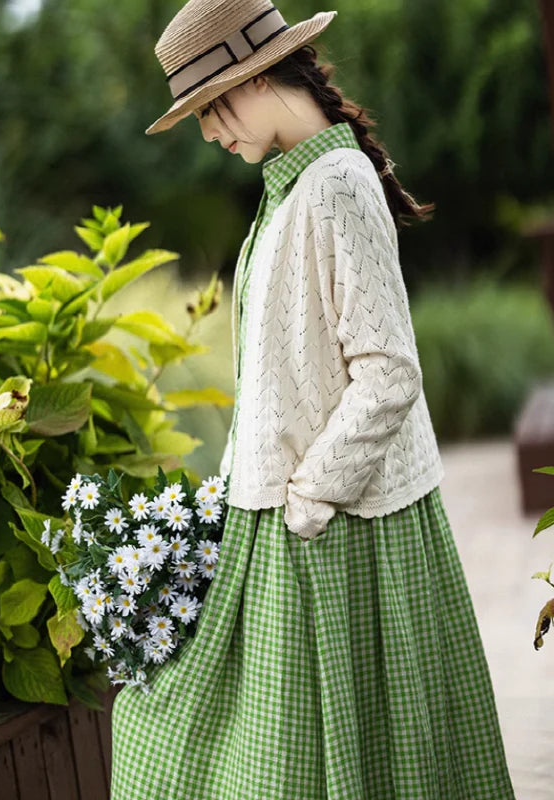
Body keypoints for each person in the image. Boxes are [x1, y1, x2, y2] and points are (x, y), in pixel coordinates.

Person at [110, 1, 517, 798]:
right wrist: (232, 498)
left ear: (258, 75)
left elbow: (390, 373)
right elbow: (271, 379)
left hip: (342, 529)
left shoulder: (335, 187)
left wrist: (307, 496)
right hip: (284, 524)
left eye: (209, 106)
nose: (206, 133)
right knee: (195, 736)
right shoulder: (286, 191)